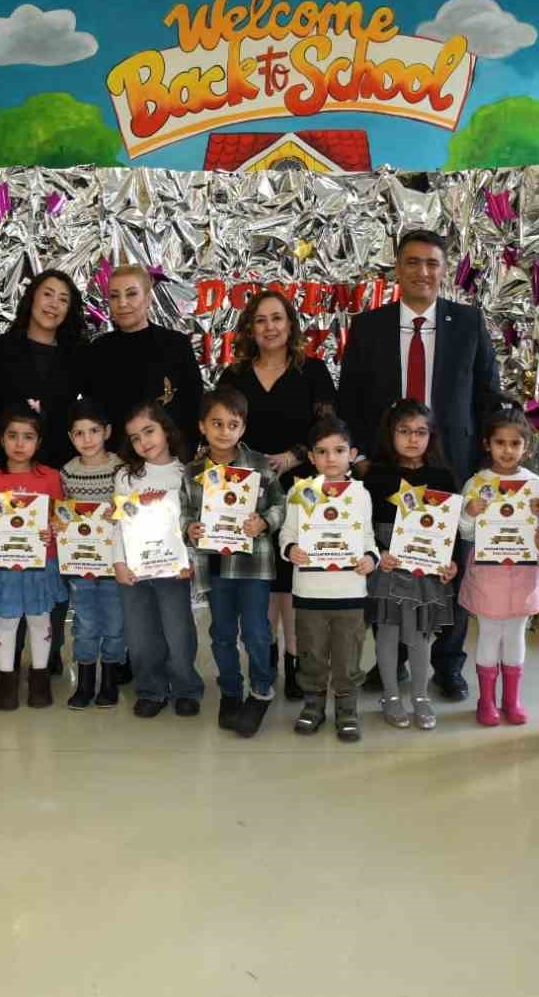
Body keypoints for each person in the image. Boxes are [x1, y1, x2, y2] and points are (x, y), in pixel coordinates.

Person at [338, 229, 499, 703]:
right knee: (389, 566)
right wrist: (361, 460)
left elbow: (487, 395)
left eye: (432, 263)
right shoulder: (368, 327)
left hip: (451, 469)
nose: (422, 272)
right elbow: (350, 400)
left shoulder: (468, 323)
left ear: (443, 269)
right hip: (385, 472)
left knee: (447, 565)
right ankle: (394, 659)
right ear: (397, 268)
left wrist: (487, 466)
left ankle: (448, 664)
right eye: (412, 262)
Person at [217, 289, 337, 699]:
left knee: (291, 581)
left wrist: (293, 456)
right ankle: (263, 665)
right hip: (247, 495)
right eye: (261, 320)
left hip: (300, 488)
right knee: (260, 583)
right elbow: (220, 430)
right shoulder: (233, 376)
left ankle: (295, 665)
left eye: (277, 318)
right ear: (250, 328)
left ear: (290, 325)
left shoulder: (313, 372)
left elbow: (328, 433)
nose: (270, 327)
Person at [0, 269, 87, 677]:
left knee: (49, 562)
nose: (53, 304)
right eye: (47, 294)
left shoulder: (75, 355)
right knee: (9, 565)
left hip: (52, 477)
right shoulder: (0, 351)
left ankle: (46, 655)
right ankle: (8, 659)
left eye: (63, 299)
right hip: (4, 476)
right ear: (31, 298)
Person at [180, 385, 286, 737]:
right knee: (222, 632)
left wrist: (264, 521)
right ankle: (230, 690)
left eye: (233, 424)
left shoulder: (259, 464)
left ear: (243, 428)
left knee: (257, 631)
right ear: (201, 427)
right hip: (214, 566)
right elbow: (183, 513)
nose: (225, 431)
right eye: (217, 423)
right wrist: (189, 529)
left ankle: (261, 689)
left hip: (253, 565)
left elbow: (279, 504)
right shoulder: (192, 471)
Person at [282, 416, 380, 741]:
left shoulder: (360, 494)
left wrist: (371, 558)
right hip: (309, 592)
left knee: (348, 655)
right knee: (310, 653)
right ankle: (312, 705)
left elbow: (366, 537)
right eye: (322, 452)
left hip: (350, 592)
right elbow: (288, 532)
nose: (331, 458)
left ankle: (347, 708)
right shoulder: (301, 492)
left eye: (339, 450)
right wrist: (291, 548)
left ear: (352, 453)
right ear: (311, 457)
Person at [362, 400, 459, 730]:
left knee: (420, 636)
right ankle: (390, 695)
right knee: (387, 634)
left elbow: (453, 529)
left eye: (420, 432)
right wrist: (378, 551)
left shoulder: (443, 476)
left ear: (431, 436)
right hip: (389, 566)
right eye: (404, 432)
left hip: (427, 570)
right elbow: (363, 526)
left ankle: (420, 696)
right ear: (390, 435)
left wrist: (452, 563)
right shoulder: (376, 476)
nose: (412, 439)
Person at [458, 403, 539, 731]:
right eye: (500, 443)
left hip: (523, 572)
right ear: (487, 444)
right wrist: (471, 512)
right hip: (488, 573)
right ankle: (487, 700)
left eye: (515, 443)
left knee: (516, 633)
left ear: (526, 446)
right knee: (490, 634)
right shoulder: (477, 483)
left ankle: (512, 700)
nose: (507, 450)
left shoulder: (536, 485)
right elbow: (464, 532)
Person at [113, 401, 203, 718]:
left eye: (149, 431)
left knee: (179, 634)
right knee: (139, 636)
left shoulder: (187, 473)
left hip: (173, 570)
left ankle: (185, 689)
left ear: (166, 429)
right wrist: (118, 562)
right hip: (134, 572)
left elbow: (193, 522)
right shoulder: (126, 476)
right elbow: (118, 523)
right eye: (135, 438)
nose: (144, 442)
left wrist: (190, 559)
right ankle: (151, 689)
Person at [0, 405, 69, 709]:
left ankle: (40, 678)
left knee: (40, 620)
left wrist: (53, 530)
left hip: (41, 563)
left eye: (28, 437)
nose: (19, 444)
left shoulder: (51, 477)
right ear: (2, 440)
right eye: (12, 436)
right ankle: (6, 680)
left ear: (38, 442)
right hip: (4, 565)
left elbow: (61, 517)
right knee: (6, 620)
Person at [80, 264, 204, 446]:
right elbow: (93, 413)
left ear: (147, 299)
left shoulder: (176, 345)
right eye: (114, 296)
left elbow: (192, 408)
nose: (122, 303)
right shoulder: (99, 349)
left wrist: (182, 459)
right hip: (114, 463)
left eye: (131, 294)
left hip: (168, 461)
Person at [58, 397, 124, 711]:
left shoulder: (121, 469)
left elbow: (131, 510)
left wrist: (120, 512)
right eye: (79, 433)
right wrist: (59, 522)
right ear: (70, 437)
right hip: (80, 564)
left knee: (114, 621)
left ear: (107, 432)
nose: (87, 439)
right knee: (84, 622)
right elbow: (63, 515)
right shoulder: (67, 473)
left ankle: (109, 680)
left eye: (94, 431)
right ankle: (85, 681)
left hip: (114, 563)